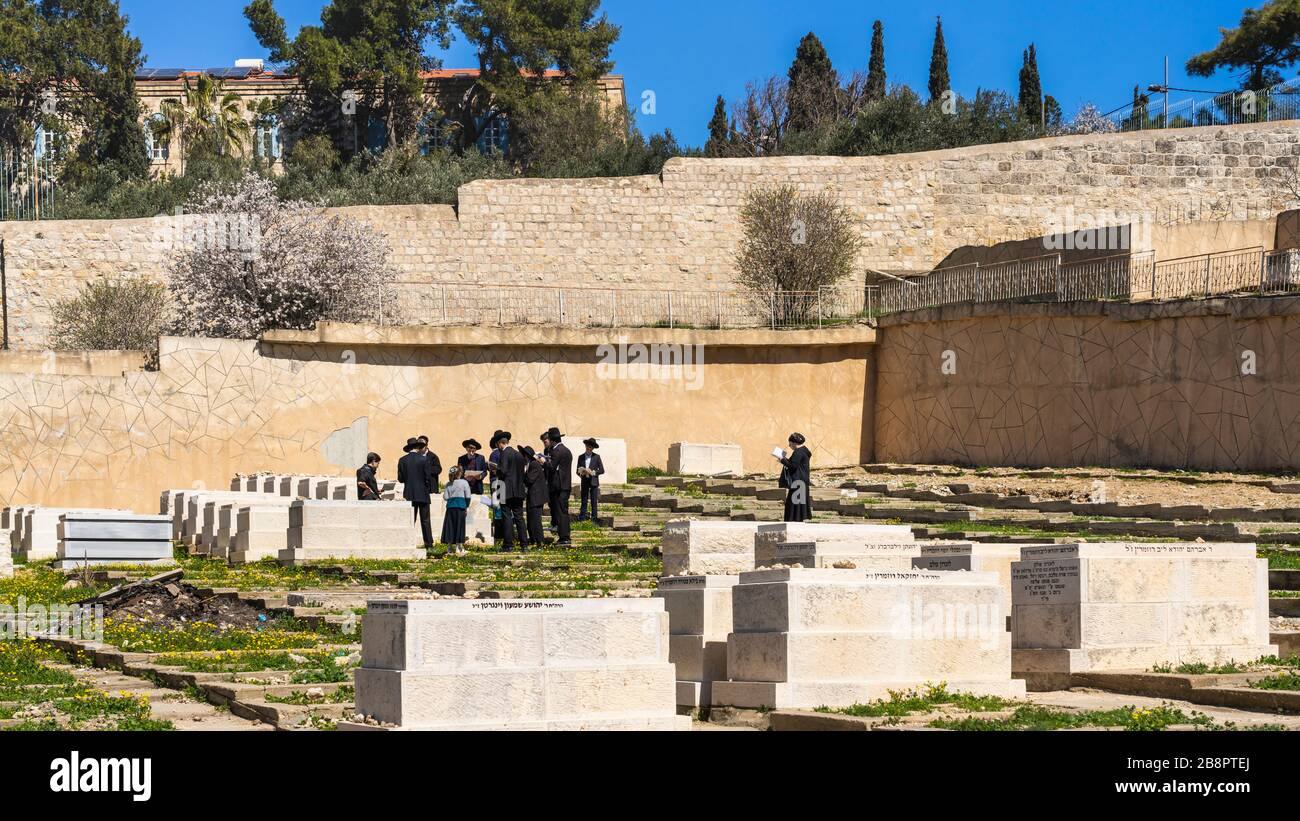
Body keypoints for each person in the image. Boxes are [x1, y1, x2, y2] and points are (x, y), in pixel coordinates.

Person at [489, 431, 528, 552]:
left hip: (505, 489)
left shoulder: (505, 454)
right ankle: (524, 544)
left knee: (506, 517)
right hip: (519, 490)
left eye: (498, 446)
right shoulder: (518, 454)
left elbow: (504, 471)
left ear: (501, 443)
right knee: (519, 517)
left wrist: (496, 469)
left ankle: (508, 544)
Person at [398, 437, 436, 549]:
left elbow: (400, 479)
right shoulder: (424, 459)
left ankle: (408, 543)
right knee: (425, 521)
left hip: (409, 493)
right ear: (418, 447)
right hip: (423, 493)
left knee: (411, 520)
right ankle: (428, 544)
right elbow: (427, 477)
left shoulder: (402, 460)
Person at [545, 428, 573, 546]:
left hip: (558, 486)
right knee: (563, 511)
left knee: (560, 512)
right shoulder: (567, 450)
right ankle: (565, 536)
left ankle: (564, 537)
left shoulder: (557, 451)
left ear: (552, 441)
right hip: (565, 484)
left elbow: (551, 467)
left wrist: (543, 461)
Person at [778, 432, 814, 523]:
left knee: (794, 504)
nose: (789, 446)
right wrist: (785, 459)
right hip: (802, 481)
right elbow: (794, 463)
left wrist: (782, 460)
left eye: (790, 444)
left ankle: (794, 520)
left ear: (794, 443)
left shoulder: (798, 452)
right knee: (798, 504)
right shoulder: (804, 451)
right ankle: (798, 520)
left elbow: (793, 466)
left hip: (798, 481)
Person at [521, 445, 547, 549]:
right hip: (532, 497)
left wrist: (521, 476)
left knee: (536, 520)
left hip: (537, 497)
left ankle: (539, 541)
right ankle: (533, 540)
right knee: (531, 520)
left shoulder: (534, 465)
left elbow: (529, 480)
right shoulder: (530, 465)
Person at [440, 466, 471, 556]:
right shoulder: (464, 483)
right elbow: (468, 496)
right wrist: (466, 506)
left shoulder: (448, 484)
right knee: (459, 526)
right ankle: (459, 547)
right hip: (461, 506)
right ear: (460, 473)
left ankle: (449, 548)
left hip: (450, 507)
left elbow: (445, 497)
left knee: (450, 526)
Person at [576, 438, 605, 522]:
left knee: (593, 501)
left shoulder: (597, 457)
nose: (589, 448)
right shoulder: (580, 457)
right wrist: (582, 473)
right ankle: (582, 517)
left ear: (593, 448)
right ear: (585, 446)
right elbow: (577, 471)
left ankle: (594, 518)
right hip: (584, 480)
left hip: (593, 481)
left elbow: (602, 470)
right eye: (588, 446)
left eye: (591, 446)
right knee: (584, 499)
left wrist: (593, 472)